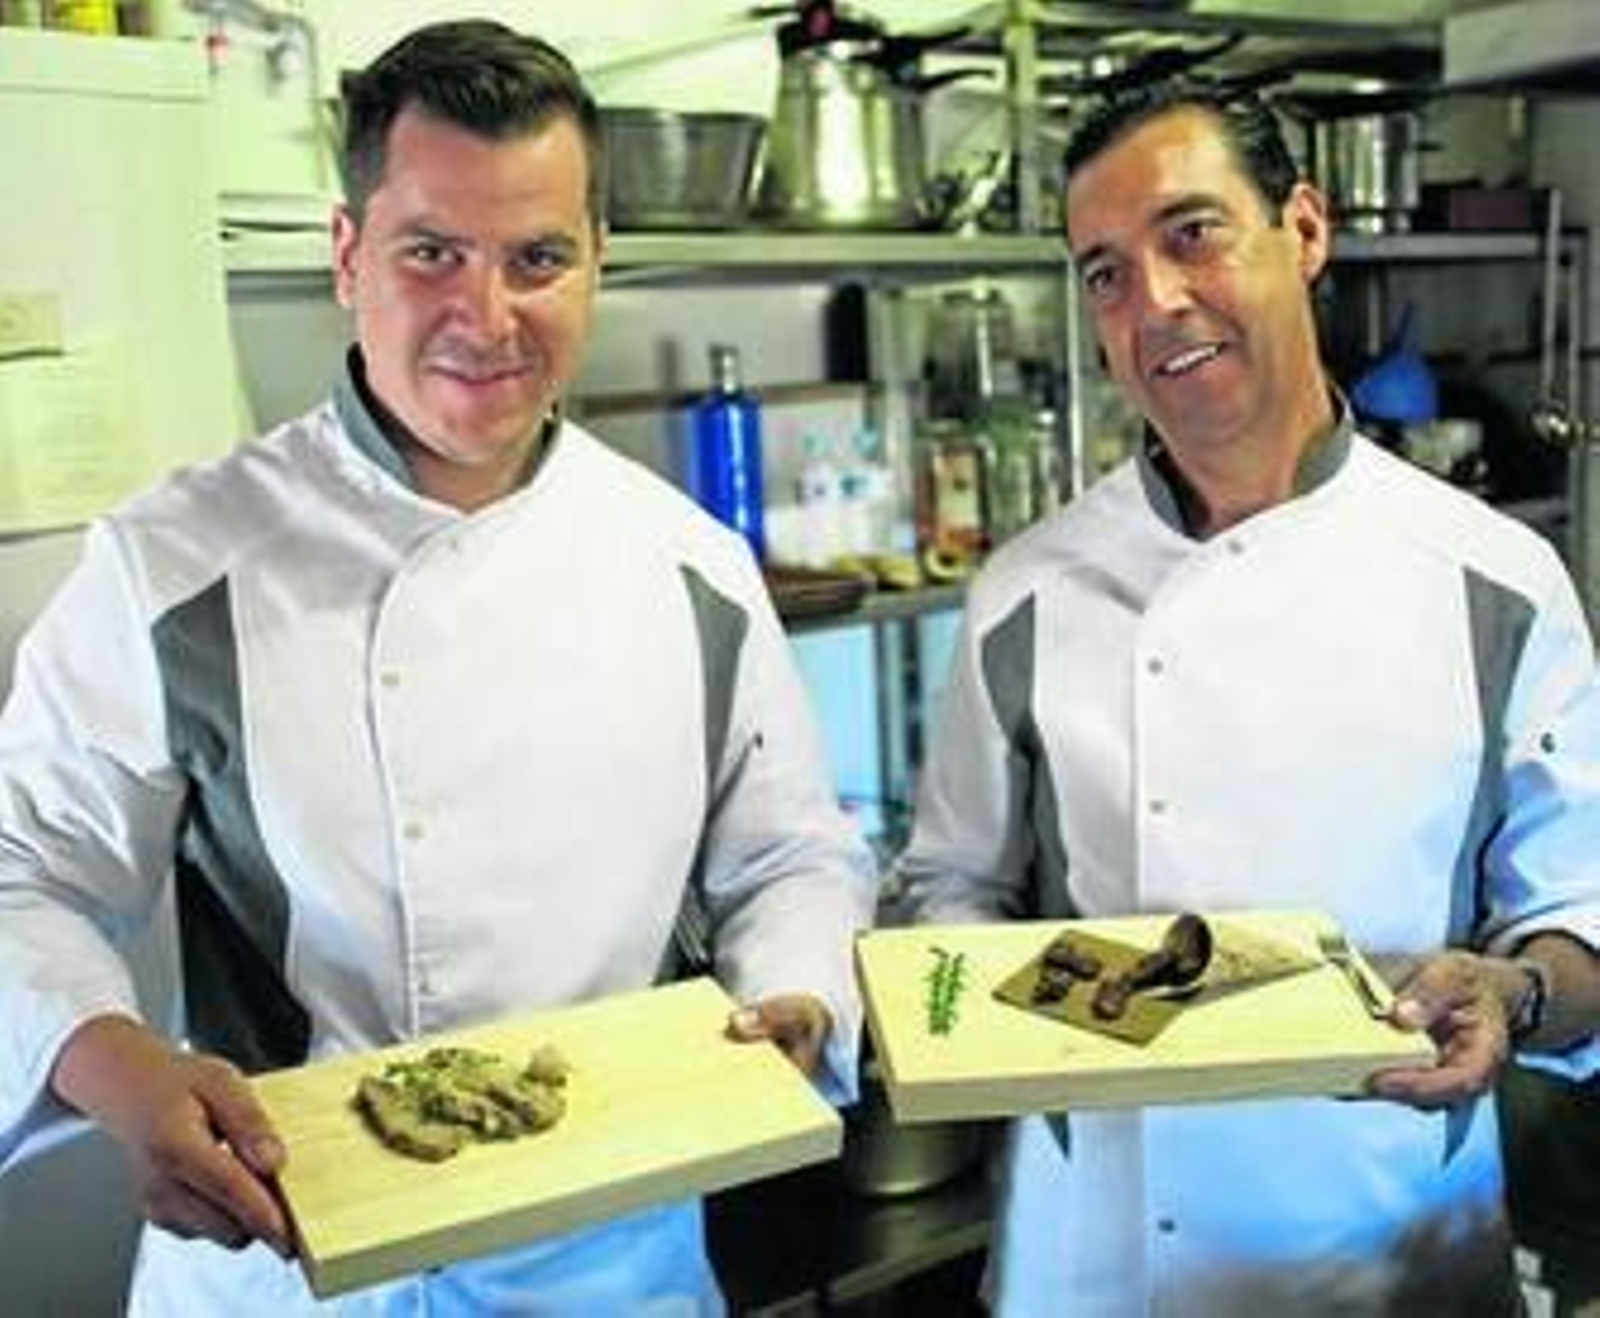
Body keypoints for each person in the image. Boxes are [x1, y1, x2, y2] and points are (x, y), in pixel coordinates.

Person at [0, 19, 876, 1314]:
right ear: (347, 254)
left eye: (539, 257)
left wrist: (794, 986)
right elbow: (26, 868)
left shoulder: (688, 563)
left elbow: (791, 853)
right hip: (288, 1255)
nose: (488, 313)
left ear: (596, 263)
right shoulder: (178, 562)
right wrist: (106, 1052)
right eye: (431, 253)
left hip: (610, 1254)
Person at [895, 79, 1600, 1315]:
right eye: (1103, 271)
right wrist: (950, 1003)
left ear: (1306, 231)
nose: (1153, 302)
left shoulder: (1492, 579)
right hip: (1098, 1256)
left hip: (1392, 1244)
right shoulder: (1027, 592)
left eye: (1192, 234)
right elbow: (950, 888)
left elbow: (1582, 915)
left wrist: (1515, 992)